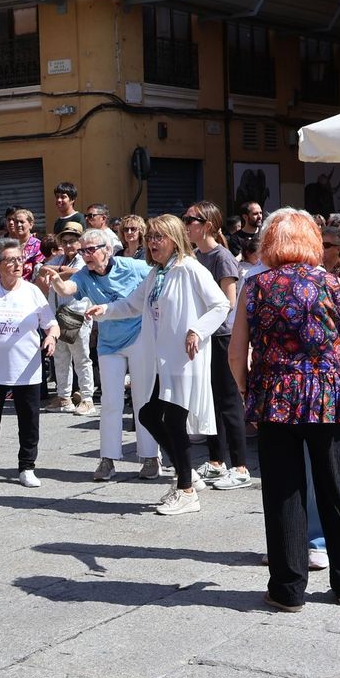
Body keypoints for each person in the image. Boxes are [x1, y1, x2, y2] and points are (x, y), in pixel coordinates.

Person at [230, 209, 340, 612]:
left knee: (283, 490)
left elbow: (237, 353)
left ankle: (288, 588)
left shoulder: (255, 287)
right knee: (332, 485)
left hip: (275, 396)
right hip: (326, 393)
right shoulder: (332, 283)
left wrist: (244, 389)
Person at [86, 214, 228, 515]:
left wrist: (197, 330)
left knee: (173, 422)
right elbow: (133, 304)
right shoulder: (156, 274)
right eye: (150, 237)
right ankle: (184, 471)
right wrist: (105, 310)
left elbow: (221, 304)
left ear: (175, 239)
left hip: (183, 360)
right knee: (149, 414)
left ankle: (186, 489)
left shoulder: (189, 269)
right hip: (161, 362)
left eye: (158, 237)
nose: (152, 242)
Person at [50, 228, 157, 481]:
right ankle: (107, 459)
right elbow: (67, 289)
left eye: (91, 249)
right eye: (82, 250)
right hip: (109, 344)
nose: (86, 254)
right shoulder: (85, 275)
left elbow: (157, 273)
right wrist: (54, 279)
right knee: (110, 401)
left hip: (140, 338)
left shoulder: (131, 266)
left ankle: (151, 457)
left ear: (107, 250)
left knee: (143, 399)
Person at [0, 238, 58, 488]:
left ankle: (27, 467)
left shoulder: (32, 291)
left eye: (20, 259)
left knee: (28, 421)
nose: (18, 264)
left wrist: (50, 337)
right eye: (11, 260)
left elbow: (52, 324)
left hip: (26, 368)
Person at [184, 201, 251, 490]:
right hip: (203, 335)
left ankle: (240, 466)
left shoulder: (222, 257)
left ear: (207, 225)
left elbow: (229, 302)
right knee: (208, 400)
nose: (186, 224)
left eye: (191, 219)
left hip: (221, 335)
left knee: (228, 400)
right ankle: (216, 461)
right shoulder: (196, 256)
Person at [34, 227, 96, 414]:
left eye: (73, 240)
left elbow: (76, 271)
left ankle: (87, 398)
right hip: (57, 315)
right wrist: (55, 269)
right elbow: (41, 269)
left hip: (78, 314)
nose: (69, 244)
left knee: (82, 359)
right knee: (61, 359)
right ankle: (64, 397)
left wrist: (53, 271)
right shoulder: (59, 260)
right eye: (65, 241)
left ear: (80, 242)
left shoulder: (84, 260)